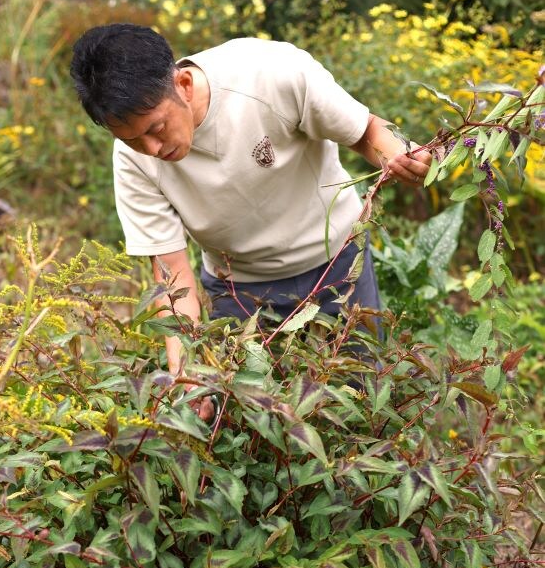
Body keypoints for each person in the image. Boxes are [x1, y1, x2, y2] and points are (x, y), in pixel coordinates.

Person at [70, 24, 430, 410]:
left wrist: (398, 155)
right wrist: (186, 374)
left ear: (183, 84)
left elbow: (364, 131)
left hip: (338, 266)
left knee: (363, 398)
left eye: (156, 129)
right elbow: (172, 274)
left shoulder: (270, 73)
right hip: (240, 291)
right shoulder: (133, 161)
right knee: (250, 416)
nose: (152, 148)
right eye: (132, 140)